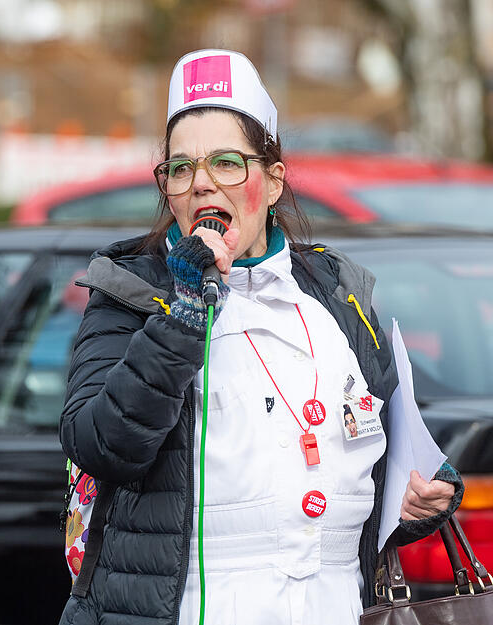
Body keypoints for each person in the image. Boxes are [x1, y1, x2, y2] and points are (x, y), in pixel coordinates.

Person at [58, 49, 463, 625]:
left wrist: (420, 500)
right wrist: (188, 308)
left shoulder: (337, 294)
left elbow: (383, 456)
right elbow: (102, 444)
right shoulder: (127, 292)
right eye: (180, 168)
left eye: (226, 163)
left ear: (273, 181)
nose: (201, 185)